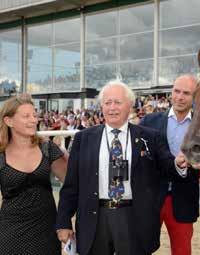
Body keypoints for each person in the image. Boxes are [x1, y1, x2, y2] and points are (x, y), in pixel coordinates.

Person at [55, 81, 189, 255]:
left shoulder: (150, 138)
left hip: (134, 218)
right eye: (107, 103)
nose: (112, 108)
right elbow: (71, 185)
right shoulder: (83, 139)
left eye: (117, 102)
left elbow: (168, 168)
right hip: (95, 218)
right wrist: (64, 221)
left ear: (130, 106)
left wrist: (178, 164)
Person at [140, 75, 200, 255]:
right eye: (176, 91)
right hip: (151, 197)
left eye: (186, 93)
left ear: (195, 97)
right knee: (142, 247)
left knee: (182, 251)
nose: (180, 97)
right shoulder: (149, 122)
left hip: (184, 198)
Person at [0, 93, 68, 255]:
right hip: (11, 231)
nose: (33, 120)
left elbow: (71, 184)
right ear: (8, 121)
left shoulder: (48, 149)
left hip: (47, 229)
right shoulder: (1, 154)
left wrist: (66, 222)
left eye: (34, 115)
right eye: (26, 116)